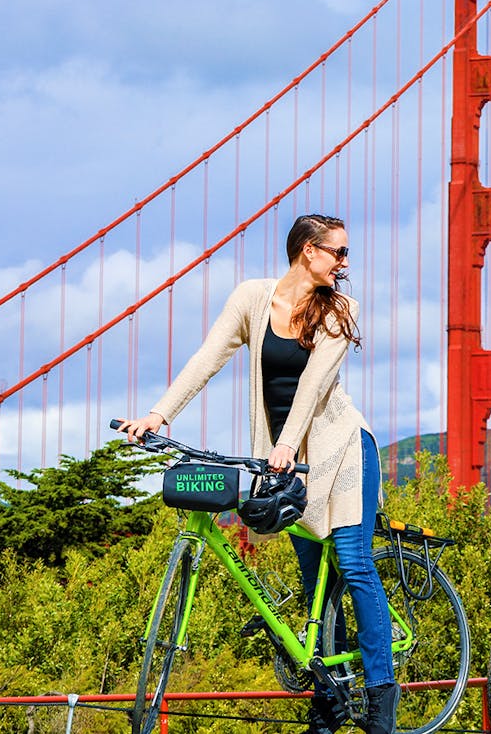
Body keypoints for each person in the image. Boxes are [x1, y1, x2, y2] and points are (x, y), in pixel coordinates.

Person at [119, 214, 397, 734]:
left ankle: (382, 695)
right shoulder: (252, 297)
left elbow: (314, 384)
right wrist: (159, 414)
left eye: (345, 254)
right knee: (315, 578)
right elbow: (209, 357)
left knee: (355, 565)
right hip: (284, 460)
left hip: (340, 452)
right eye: (337, 252)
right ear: (307, 251)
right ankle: (329, 700)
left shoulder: (340, 311)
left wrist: (288, 444)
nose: (345, 263)